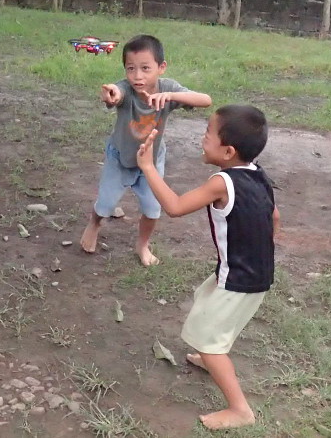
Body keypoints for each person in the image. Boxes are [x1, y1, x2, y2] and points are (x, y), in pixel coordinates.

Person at [136, 105, 280, 429]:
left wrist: (147, 167)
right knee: (207, 303)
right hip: (254, 271)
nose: (202, 138)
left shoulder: (221, 182)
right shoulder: (259, 174)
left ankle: (239, 409)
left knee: (209, 338)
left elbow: (174, 207)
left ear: (228, 151)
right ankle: (209, 357)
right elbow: (274, 216)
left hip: (239, 276)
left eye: (208, 133)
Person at [80, 34, 212, 266]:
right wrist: (111, 94)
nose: (137, 76)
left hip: (150, 162)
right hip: (120, 158)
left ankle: (142, 245)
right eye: (130, 68)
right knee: (106, 204)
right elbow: (116, 94)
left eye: (145, 68)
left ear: (161, 67)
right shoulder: (126, 89)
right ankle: (94, 224)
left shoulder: (168, 89)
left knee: (152, 209)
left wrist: (170, 96)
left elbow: (205, 100)